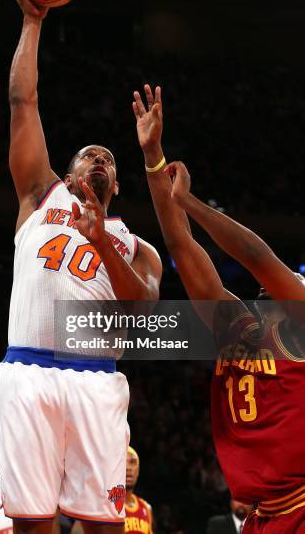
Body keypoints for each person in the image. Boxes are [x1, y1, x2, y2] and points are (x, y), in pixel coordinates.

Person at [0, 0, 162, 534]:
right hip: (28, 371)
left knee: (104, 527)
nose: (101, 157)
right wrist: (33, 21)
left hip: (95, 379)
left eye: (110, 159)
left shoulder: (136, 247)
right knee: (32, 525)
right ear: (67, 172)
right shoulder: (40, 195)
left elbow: (144, 318)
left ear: (117, 187)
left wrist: (101, 245)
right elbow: (22, 101)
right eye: (91, 153)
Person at [132, 84, 305, 533]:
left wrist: (190, 202)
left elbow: (258, 259)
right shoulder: (236, 325)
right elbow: (179, 244)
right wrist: (154, 161)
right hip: (261, 516)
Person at [124, 447, 153, 534]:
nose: (128, 468)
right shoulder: (105, 505)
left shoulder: (146, 508)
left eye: (132, 462)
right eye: (122, 462)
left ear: (138, 471)